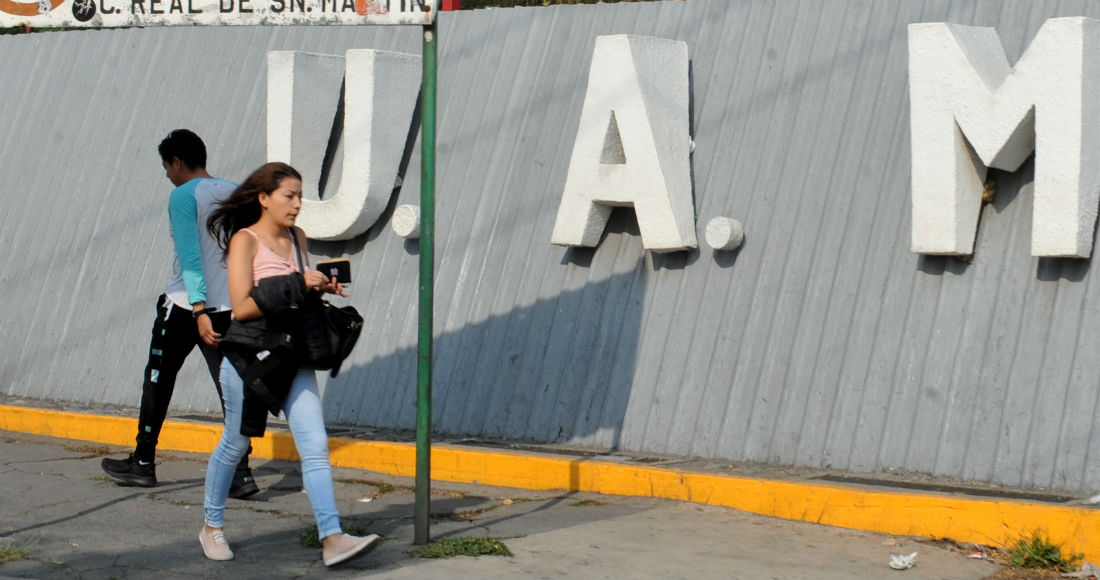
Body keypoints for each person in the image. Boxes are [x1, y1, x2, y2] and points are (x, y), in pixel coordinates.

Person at [199, 161, 379, 565]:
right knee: (236, 442)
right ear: (264, 198)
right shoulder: (245, 240)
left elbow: (293, 297)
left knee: (314, 445)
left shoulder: (297, 238)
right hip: (250, 358)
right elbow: (242, 307)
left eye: (300, 196)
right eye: (289, 196)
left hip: (292, 354)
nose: (298, 204)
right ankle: (211, 527)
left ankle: (332, 538)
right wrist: (298, 282)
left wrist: (318, 286)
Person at [101, 129, 259, 499]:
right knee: (231, 389)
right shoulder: (237, 193)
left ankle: (143, 462)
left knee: (158, 379)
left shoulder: (184, 195)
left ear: (177, 162)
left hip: (187, 307)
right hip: (230, 308)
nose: (167, 175)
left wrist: (199, 308)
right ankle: (241, 475)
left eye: (166, 167)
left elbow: (190, 258)